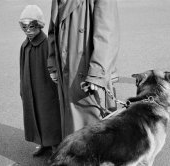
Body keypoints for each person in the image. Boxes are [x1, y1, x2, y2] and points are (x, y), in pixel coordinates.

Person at [47, 0, 120, 138]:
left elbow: (107, 34)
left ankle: (88, 157)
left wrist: (96, 73)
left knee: (91, 121)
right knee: (70, 118)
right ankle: (72, 154)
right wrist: (53, 64)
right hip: (65, 66)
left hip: (87, 68)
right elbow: (53, 30)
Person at [19, 5, 61, 156]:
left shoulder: (46, 44)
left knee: (49, 117)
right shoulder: (24, 45)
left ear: (40, 25)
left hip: (46, 89)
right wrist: (22, 88)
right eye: (24, 27)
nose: (28, 30)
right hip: (30, 88)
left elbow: (54, 66)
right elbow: (21, 69)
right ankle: (44, 143)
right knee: (35, 115)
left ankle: (56, 148)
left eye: (31, 26)